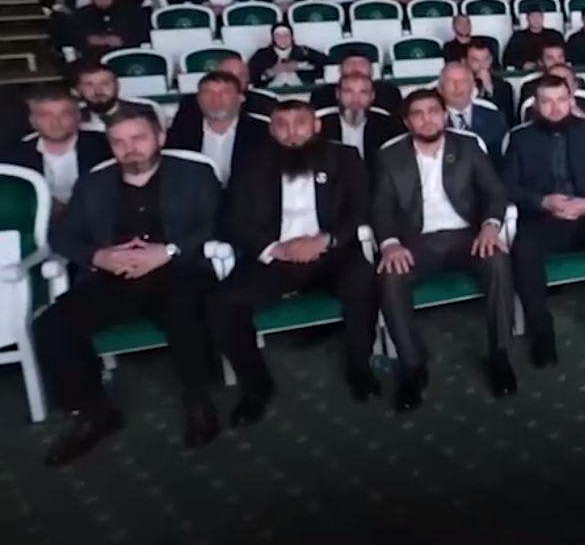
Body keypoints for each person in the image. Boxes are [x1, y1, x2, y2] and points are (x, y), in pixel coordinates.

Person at [33, 104, 224, 466]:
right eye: (118, 141)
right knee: (52, 325)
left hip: (178, 269)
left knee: (186, 310)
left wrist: (167, 250)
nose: (129, 148)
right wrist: (99, 256)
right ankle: (94, 411)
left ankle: (198, 400)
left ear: (160, 137)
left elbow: (217, 222)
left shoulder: (195, 174)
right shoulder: (93, 183)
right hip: (113, 275)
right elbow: (62, 236)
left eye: (138, 138)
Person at [209, 101, 379, 424]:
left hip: (330, 252)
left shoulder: (344, 158)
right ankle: (256, 386)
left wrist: (325, 240)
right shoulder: (251, 164)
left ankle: (360, 367)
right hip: (276, 258)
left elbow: (360, 208)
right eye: (282, 125)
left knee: (363, 279)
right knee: (222, 303)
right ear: (271, 131)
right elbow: (233, 220)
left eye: (299, 123)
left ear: (316, 126)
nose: (291, 133)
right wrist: (274, 249)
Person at [371, 90, 515, 412]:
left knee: (497, 258)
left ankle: (500, 355)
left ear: (444, 115)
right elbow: (381, 207)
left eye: (433, 111)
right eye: (418, 114)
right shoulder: (390, 156)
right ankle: (412, 365)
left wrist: (490, 225)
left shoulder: (468, 147)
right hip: (416, 242)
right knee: (390, 275)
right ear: (407, 122)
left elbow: (495, 193)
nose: (427, 119)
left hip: (467, 237)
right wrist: (390, 244)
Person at [502, 76, 585, 362]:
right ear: (536, 106)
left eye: (561, 100)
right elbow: (508, 186)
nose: (555, 107)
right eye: (547, 101)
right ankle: (542, 331)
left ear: (571, 101)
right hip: (543, 217)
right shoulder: (521, 138)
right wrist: (543, 201)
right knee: (523, 249)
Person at [0, 84, 111, 215]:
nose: (55, 122)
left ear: (78, 117)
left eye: (64, 114)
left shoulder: (105, 148)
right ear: (32, 121)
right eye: (45, 116)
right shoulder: (13, 157)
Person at [163, 71, 271, 185]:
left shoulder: (263, 133)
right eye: (208, 93)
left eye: (224, 92)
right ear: (198, 99)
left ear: (241, 98)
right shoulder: (180, 134)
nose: (215, 99)